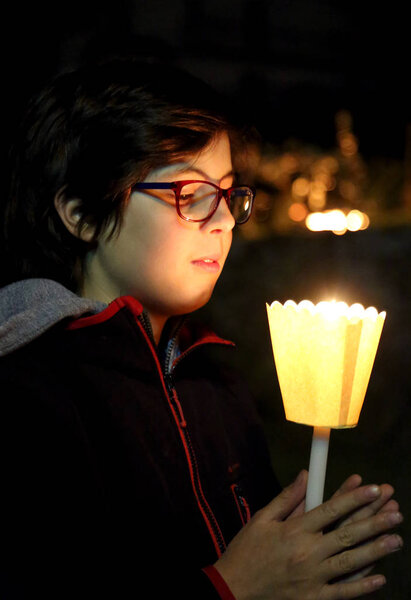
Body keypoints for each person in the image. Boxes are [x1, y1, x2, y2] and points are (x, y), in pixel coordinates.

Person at [0, 58, 403, 600]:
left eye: (229, 193)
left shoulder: (216, 385)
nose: (222, 221)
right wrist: (229, 587)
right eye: (190, 195)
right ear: (81, 213)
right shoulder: (28, 398)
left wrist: (306, 567)